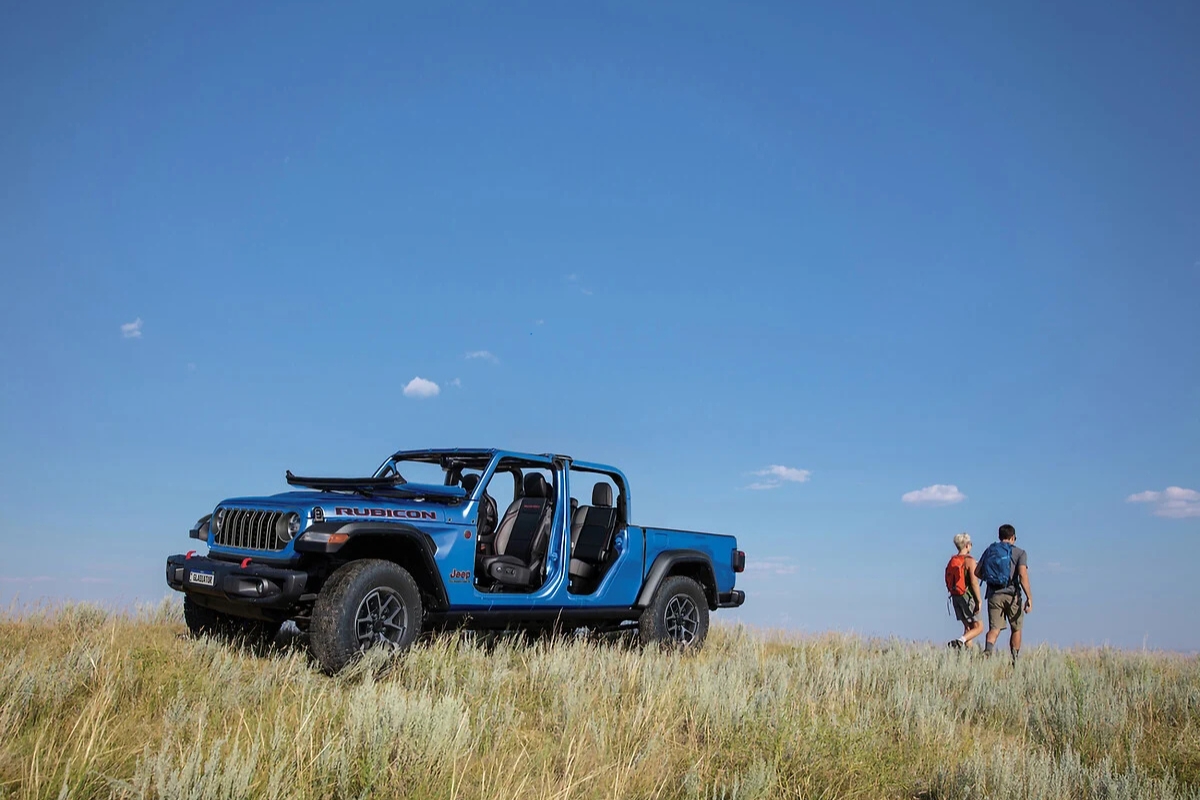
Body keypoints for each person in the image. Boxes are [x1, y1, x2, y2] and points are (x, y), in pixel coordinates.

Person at [975, 523, 1032, 664]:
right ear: (1013, 537)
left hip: (994, 594)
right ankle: (1015, 660)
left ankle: (988, 651)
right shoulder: (1020, 553)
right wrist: (1029, 597)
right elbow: (1023, 575)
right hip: (1013, 595)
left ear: (999, 537)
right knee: (1016, 628)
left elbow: (977, 572)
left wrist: (990, 580)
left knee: (994, 629)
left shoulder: (990, 550)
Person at [945, 532, 984, 650]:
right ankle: (960, 641)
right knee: (979, 627)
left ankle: (968, 656)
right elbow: (974, 582)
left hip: (955, 596)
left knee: (968, 628)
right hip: (967, 596)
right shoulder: (969, 561)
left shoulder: (952, 561)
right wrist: (979, 601)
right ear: (967, 545)